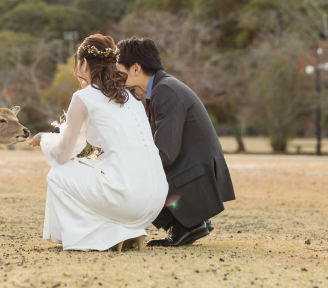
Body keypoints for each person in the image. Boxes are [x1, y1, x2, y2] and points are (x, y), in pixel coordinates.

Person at [28, 34, 168, 251]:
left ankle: (104, 236)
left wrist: (45, 139)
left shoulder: (84, 97)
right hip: (157, 197)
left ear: (83, 63)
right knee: (91, 168)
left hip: (127, 197)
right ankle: (126, 232)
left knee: (57, 175)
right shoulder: (130, 97)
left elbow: (64, 154)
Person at [116, 37, 235, 247]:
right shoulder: (161, 88)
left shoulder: (165, 90)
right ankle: (185, 222)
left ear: (136, 68)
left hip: (196, 177)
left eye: (120, 73)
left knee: (129, 177)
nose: (120, 80)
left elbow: (165, 153)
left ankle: (189, 224)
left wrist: (125, 162)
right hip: (195, 171)